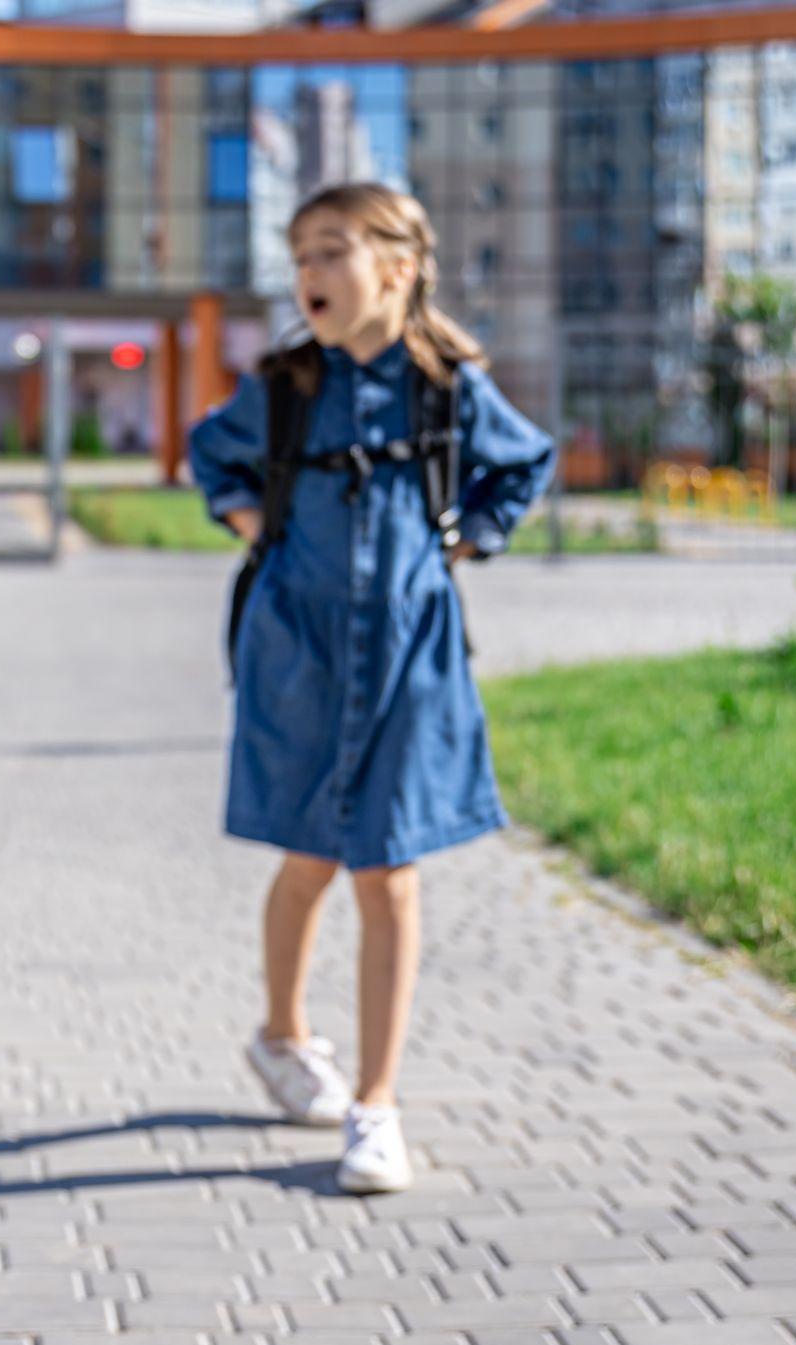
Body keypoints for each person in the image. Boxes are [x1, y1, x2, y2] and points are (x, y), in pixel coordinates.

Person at [189, 182, 555, 1195]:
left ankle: (375, 1106)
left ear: (395, 266)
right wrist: (250, 523)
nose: (307, 274)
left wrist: (467, 541)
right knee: (307, 857)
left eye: (329, 252)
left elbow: (523, 465)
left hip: (409, 658)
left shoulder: (449, 390)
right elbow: (206, 455)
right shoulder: (282, 389)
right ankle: (281, 1035)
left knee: (386, 870)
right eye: (298, 255)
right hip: (297, 652)